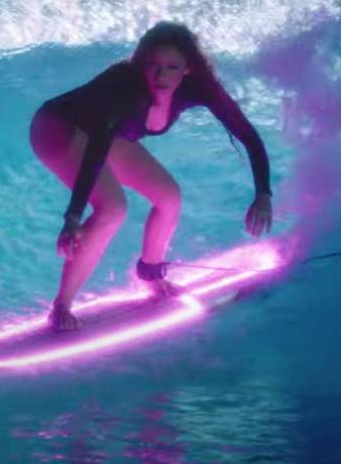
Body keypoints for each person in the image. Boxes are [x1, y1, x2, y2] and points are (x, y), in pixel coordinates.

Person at [29, 21, 273, 332]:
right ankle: (61, 305)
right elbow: (98, 145)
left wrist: (263, 193)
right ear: (142, 63)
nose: (161, 76)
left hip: (101, 134)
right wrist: (73, 215)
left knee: (169, 196)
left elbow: (248, 135)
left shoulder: (200, 88)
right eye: (154, 65)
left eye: (172, 67)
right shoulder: (126, 89)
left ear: (187, 69)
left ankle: (151, 273)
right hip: (57, 127)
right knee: (113, 208)